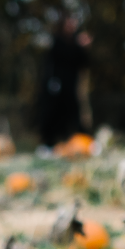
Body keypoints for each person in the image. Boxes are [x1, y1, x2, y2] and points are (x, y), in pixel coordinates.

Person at [37, 17, 91, 150]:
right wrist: (78, 45)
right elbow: (59, 57)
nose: (71, 26)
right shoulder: (58, 40)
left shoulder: (76, 42)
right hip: (55, 85)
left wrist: (84, 47)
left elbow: (83, 63)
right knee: (52, 113)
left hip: (70, 86)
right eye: (69, 23)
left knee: (74, 114)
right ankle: (48, 143)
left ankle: (79, 142)